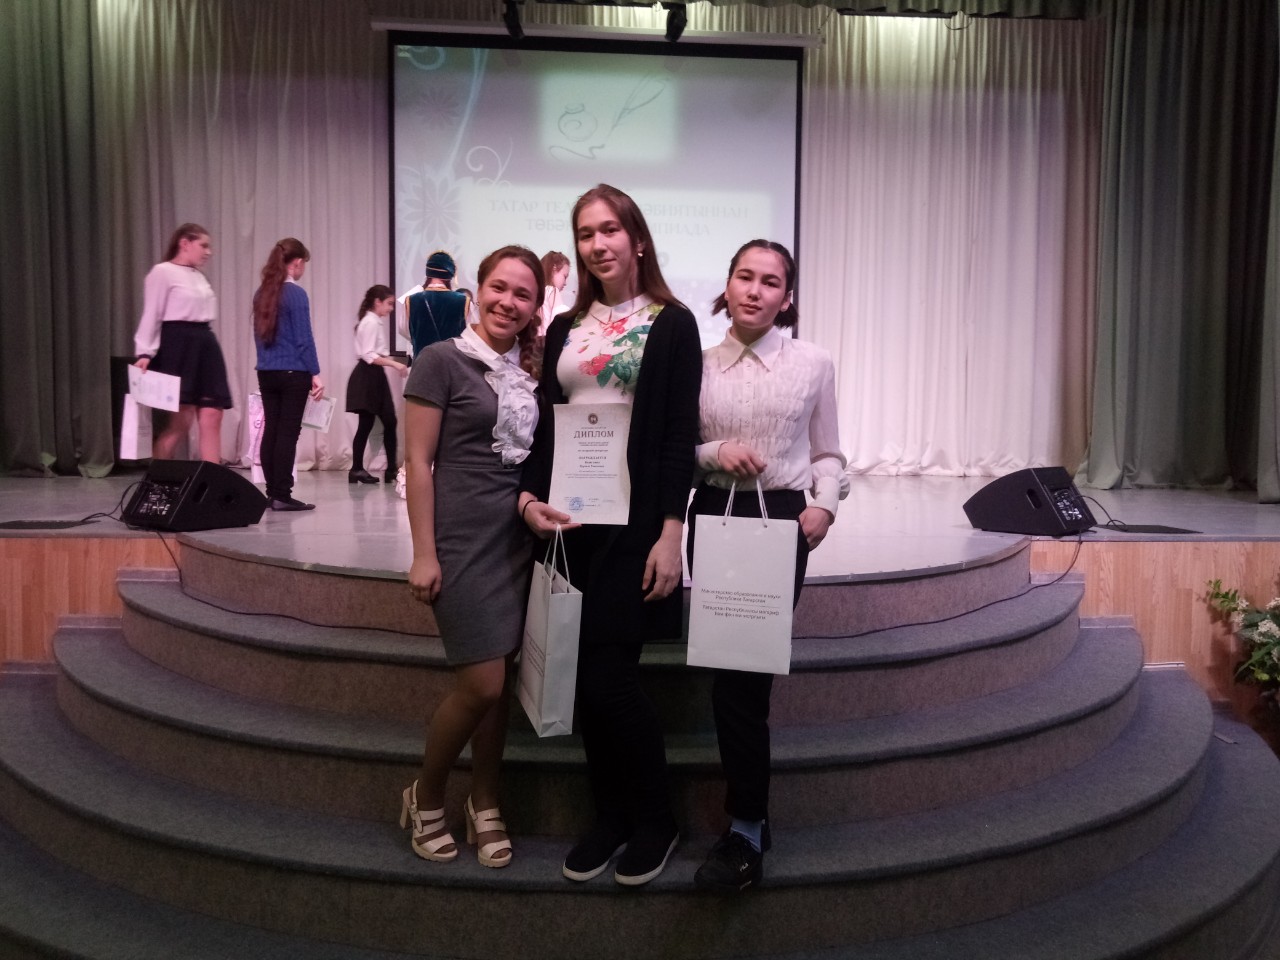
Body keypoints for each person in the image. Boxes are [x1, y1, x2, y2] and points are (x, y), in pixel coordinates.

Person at [519, 184, 702, 887]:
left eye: (610, 230)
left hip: (635, 524)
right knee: (581, 678)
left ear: (638, 238)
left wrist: (670, 531)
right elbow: (548, 423)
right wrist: (527, 499)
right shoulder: (565, 326)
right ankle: (611, 816)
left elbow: (677, 436)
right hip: (569, 524)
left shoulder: (672, 323)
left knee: (609, 677)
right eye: (585, 233)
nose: (598, 244)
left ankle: (656, 818)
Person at [685, 239, 849, 893]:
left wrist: (825, 505)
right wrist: (714, 451)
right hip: (714, 515)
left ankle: (747, 828)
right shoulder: (697, 365)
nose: (755, 290)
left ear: (787, 297)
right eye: (744, 277)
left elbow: (828, 450)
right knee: (730, 673)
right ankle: (750, 820)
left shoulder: (813, 362)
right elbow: (677, 449)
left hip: (780, 520)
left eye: (770, 281)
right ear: (727, 286)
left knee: (746, 680)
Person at [399, 245, 544, 869]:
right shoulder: (440, 360)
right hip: (460, 539)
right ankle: (426, 795)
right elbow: (417, 463)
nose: (508, 302)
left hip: (516, 538)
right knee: (481, 682)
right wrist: (423, 553)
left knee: (499, 684)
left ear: (536, 307)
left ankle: (485, 799)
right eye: (499, 288)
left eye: (523, 294)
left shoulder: (530, 370)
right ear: (475, 291)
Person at [132, 223, 233, 461]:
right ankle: (159, 474)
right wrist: (144, 352)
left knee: (213, 413)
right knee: (182, 419)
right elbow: (152, 313)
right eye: (203, 246)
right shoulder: (163, 272)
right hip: (178, 345)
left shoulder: (199, 276)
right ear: (185, 244)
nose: (208, 252)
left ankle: (211, 477)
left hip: (205, 344)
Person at [252, 238, 323, 512]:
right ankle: (282, 494)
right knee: (288, 433)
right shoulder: (296, 295)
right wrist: (315, 372)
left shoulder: (262, 293)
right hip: (294, 372)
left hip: (266, 372)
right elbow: (304, 339)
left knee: (272, 429)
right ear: (298, 263)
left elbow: (259, 338)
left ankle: (272, 492)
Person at [346, 285, 408, 484]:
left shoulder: (372, 321)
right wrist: (395, 364)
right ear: (377, 302)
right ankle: (359, 469)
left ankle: (388, 469)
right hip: (368, 376)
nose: (391, 308)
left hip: (373, 376)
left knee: (386, 421)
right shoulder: (371, 322)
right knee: (369, 423)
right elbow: (369, 355)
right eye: (389, 304)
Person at [401, 251, 470, 359]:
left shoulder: (410, 301)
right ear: (450, 276)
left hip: (422, 364)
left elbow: (405, 331)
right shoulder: (464, 301)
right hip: (452, 365)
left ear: (428, 273)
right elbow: (471, 336)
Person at [537, 250, 571, 336]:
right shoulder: (552, 290)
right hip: (546, 340)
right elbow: (561, 318)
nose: (565, 283)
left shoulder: (536, 293)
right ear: (554, 269)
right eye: (565, 276)